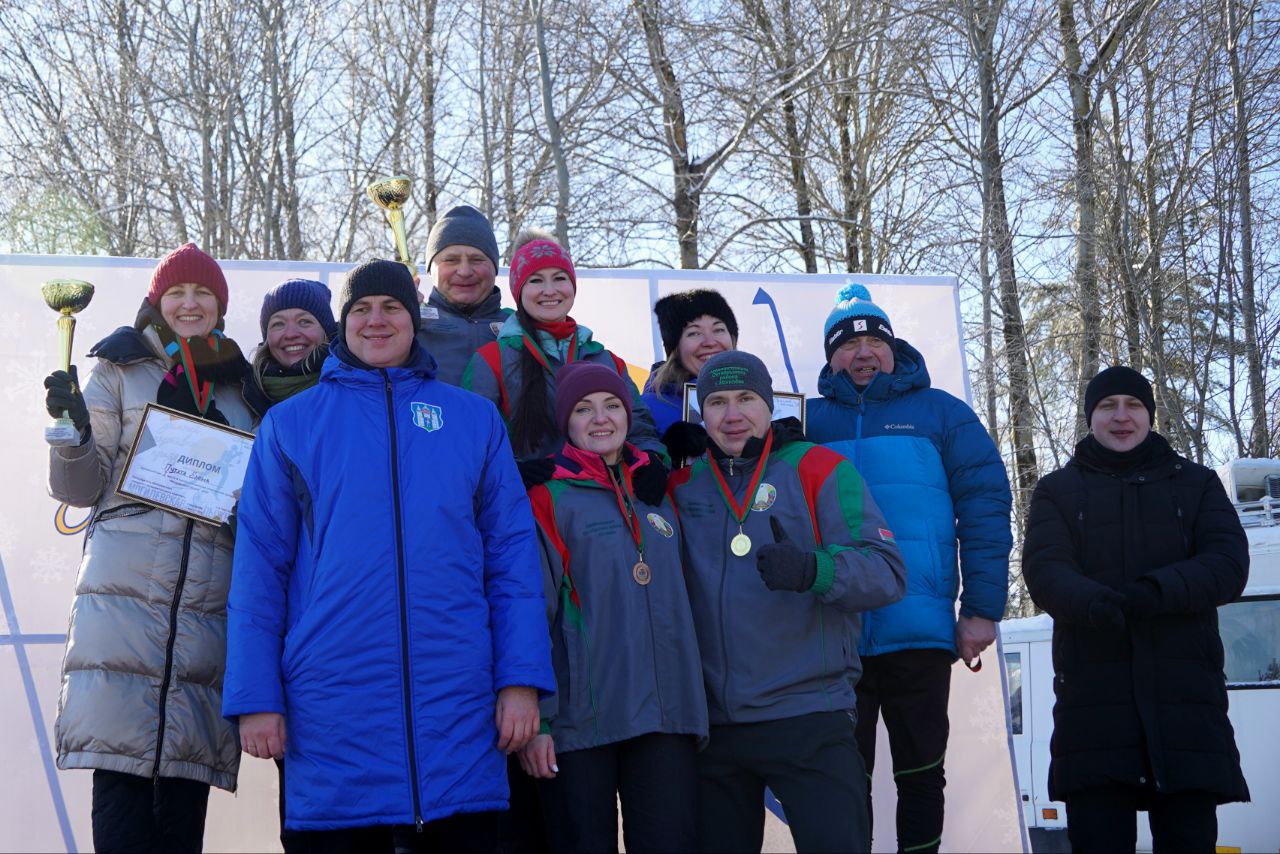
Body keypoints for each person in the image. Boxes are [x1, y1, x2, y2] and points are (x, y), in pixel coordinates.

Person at [222, 259, 555, 851]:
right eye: (361, 309)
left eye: (392, 307)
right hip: (331, 716)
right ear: (343, 324)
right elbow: (259, 571)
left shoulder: (472, 419)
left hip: (458, 710)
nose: (376, 320)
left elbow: (512, 562)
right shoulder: (290, 426)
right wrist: (256, 697)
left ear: (413, 319)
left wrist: (521, 681)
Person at [43, 242, 254, 853]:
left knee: (182, 812)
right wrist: (73, 436)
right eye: (176, 293)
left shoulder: (239, 386)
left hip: (204, 617)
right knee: (122, 805)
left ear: (220, 305)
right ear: (156, 302)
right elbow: (79, 489)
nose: (189, 304)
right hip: (123, 613)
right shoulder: (118, 367)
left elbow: (250, 508)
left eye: (202, 293)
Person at [668, 350, 907, 853]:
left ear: (769, 403)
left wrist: (813, 570)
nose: (733, 414)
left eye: (746, 398)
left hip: (809, 717)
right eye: (717, 402)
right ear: (701, 412)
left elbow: (886, 573)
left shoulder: (820, 468)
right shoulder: (681, 486)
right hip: (715, 730)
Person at [806, 283, 1012, 853]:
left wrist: (981, 609)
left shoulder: (942, 413)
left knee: (921, 777)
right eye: (848, 345)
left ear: (893, 349)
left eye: (875, 341)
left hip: (916, 630)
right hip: (832, 634)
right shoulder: (806, 421)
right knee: (842, 786)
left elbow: (986, 506)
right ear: (831, 357)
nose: (863, 354)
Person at [1023, 366, 1249, 853]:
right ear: (1090, 417)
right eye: (1108, 406)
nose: (1121, 417)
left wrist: (1156, 592)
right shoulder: (1056, 490)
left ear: (1149, 415)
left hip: (1186, 706)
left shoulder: (1198, 484)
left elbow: (1229, 565)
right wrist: (1095, 603)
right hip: (1094, 710)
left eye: (1134, 405)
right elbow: (1045, 571)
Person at [518, 361, 708, 852]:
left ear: (628, 414)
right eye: (583, 409)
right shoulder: (546, 498)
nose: (600, 418)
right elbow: (530, 613)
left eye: (611, 406)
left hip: (666, 715)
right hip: (581, 720)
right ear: (566, 422)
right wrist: (539, 720)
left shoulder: (658, 490)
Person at [461, 231, 666, 496]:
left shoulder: (605, 360)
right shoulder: (492, 360)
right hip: (530, 505)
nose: (550, 290)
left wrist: (652, 459)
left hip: (606, 503)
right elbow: (471, 438)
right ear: (519, 291)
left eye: (559, 278)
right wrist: (511, 471)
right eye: (536, 280)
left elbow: (639, 425)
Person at [416, 204, 510, 385]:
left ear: (495, 268)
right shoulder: (410, 325)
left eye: (477, 259)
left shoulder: (518, 328)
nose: (465, 271)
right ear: (430, 269)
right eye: (451, 260)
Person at [641, 288, 738, 434]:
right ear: (675, 348)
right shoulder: (646, 410)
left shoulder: (760, 397)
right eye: (694, 333)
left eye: (718, 329)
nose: (710, 342)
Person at [242, 278, 338, 416]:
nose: (291, 334)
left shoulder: (350, 390)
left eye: (304, 321)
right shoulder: (245, 395)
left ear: (326, 332)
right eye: (278, 324)